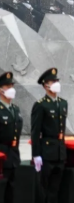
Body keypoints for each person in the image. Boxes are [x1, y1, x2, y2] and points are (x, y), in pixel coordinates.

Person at [31, 68, 67, 203]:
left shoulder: (63, 103)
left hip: (60, 152)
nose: (56, 83)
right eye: (53, 81)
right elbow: (35, 132)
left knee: (55, 189)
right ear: (46, 85)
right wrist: (36, 154)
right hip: (47, 152)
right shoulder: (41, 105)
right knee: (44, 189)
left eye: (56, 80)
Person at [0, 72, 22, 203]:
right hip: (1, 157)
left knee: (11, 193)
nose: (11, 89)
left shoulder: (15, 109)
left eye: (12, 85)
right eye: (7, 86)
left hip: (13, 156)